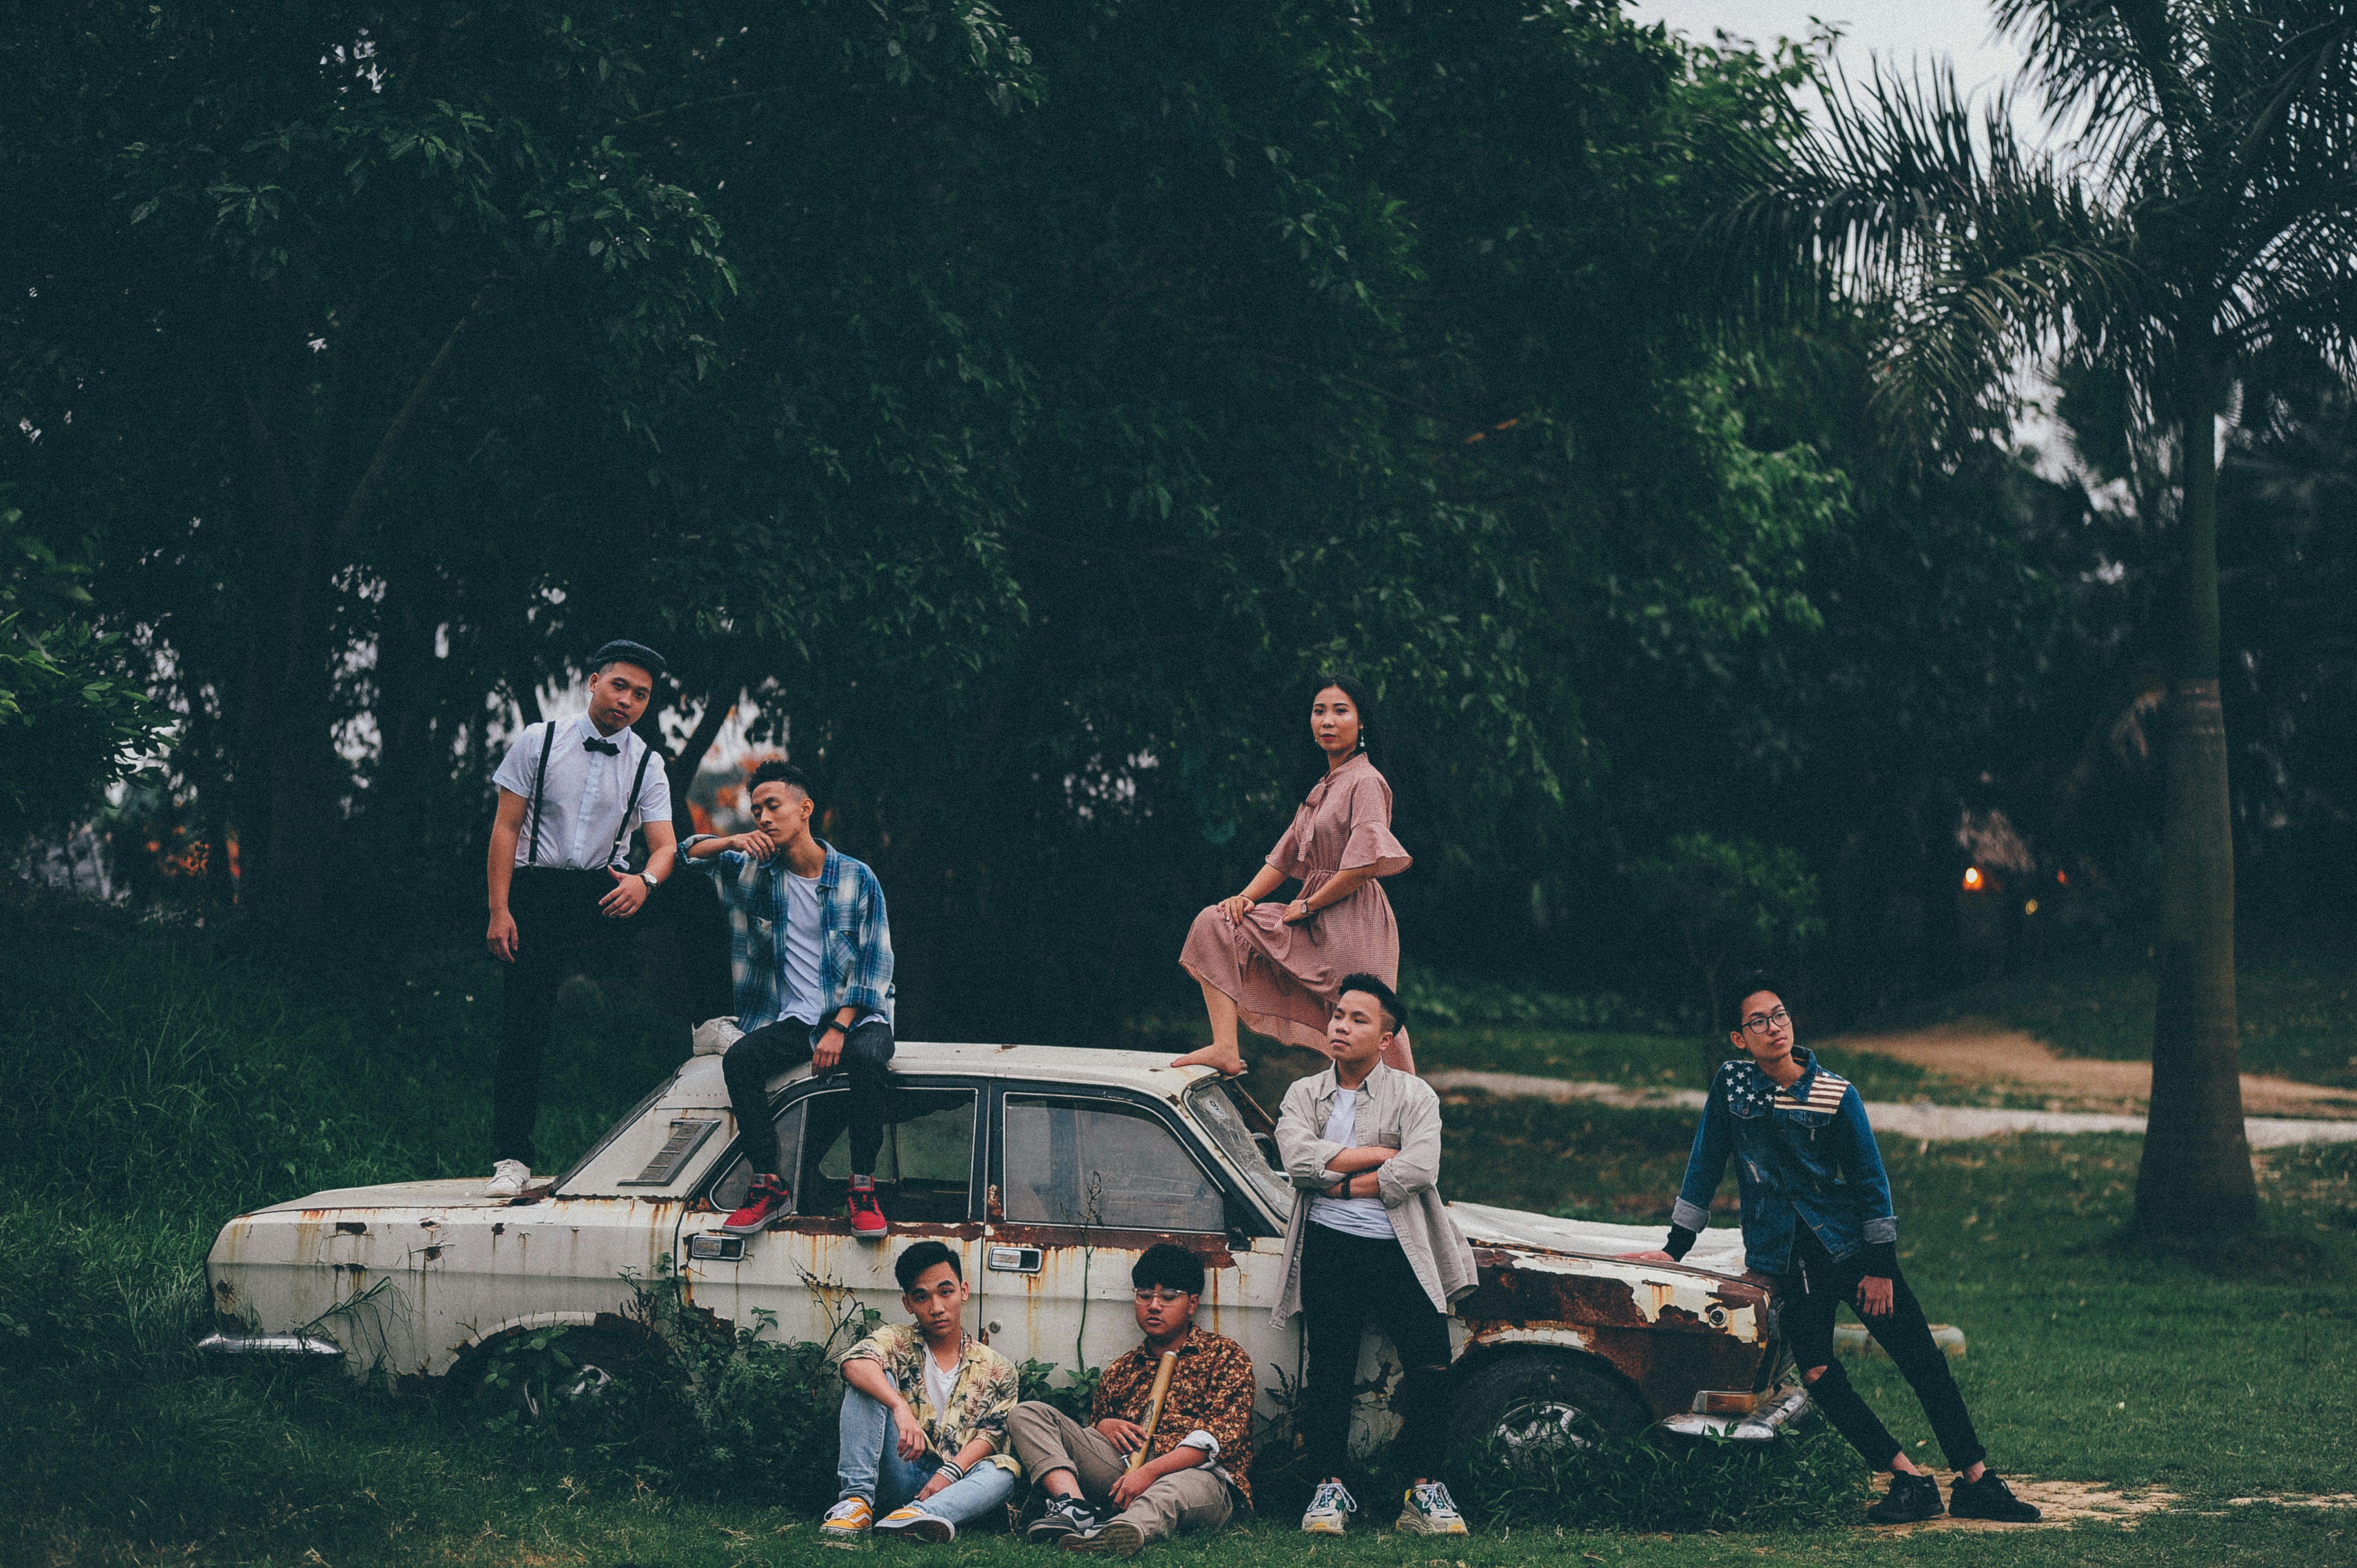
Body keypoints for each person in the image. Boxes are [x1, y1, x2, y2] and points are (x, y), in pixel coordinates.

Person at [1621, 974, 2042, 1526]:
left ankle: (1977, 1482)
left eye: (1779, 1015)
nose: (1773, 1028)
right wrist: (1675, 1248)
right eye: (1758, 1022)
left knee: (1922, 1361)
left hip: (1850, 1252)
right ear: (1739, 1039)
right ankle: (1908, 1481)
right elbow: (1705, 1165)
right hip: (1787, 1261)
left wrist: (1880, 1269)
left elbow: (1871, 1183)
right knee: (1819, 1374)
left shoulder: (1834, 1094)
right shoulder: (1731, 1087)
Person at [1272, 974, 1478, 1536]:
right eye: (1338, 1015)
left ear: (1386, 1039)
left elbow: (1420, 1168)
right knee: (1330, 1370)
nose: (1341, 1026)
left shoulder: (1415, 1096)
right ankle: (1328, 1487)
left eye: (1358, 1019)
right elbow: (1297, 1162)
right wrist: (1378, 1155)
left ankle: (1424, 1489)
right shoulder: (1302, 1094)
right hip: (1328, 1247)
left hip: (1399, 1250)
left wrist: (1338, 1183)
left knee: (1431, 1364)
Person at [482, 639, 678, 1198]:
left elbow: (665, 846)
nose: (627, 701)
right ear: (594, 682)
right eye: (619, 686)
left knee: (692, 889)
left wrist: (645, 882)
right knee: (524, 1027)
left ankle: (712, 1021)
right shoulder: (538, 741)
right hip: (537, 889)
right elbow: (505, 828)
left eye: (641, 694)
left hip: (604, 888)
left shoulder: (647, 762)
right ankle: (512, 1160)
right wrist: (500, 908)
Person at [676, 761, 899, 1239]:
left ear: (805, 809)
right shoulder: (755, 873)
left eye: (772, 806)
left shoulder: (857, 878)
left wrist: (838, 1028)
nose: (762, 817)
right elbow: (688, 855)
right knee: (740, 1059)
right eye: (756, 809)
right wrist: (732, 842)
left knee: (867, 1060)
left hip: (859, 1017)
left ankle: (862, 1188)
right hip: (795, 1020)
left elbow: (874, 966)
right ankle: (768, 1184)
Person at [1172, 676, 1416, 1077]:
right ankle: (1225, 1047)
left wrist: (1309, 904)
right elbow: (1284, 857)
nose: (1327, 721)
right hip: (1311, 916)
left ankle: (1397, 1110)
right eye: (1319, 711)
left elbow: (1364, 864)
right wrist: (1245, 898)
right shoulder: (1322, 787)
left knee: (1364, 1021)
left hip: (1354, 919)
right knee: (1216, 923)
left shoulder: (1367, 781)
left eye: (1340, 711)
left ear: (1362, 723)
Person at [1007, 1244, 1255, 1559]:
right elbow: (1093, 1442)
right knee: (1026, 1414)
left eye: (1168, 1297)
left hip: (1200, 1477)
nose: (1154, 1306)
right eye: (1144, 1296)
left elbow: (1219, 1440)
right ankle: (1076, 1508)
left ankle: (1121, 1529)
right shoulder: (1123, 1369)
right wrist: (1103, 1426)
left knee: (1170, 1491)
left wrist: (1149, 1473)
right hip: (1125, 1472)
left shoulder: (1225, 1356)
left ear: (1192, 1304)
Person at [819, 1240, 1023, 1545]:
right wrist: (899, 1406)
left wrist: (949, 1474)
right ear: (908, 1304)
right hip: (902, 1470)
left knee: (1005, 1471)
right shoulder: (896, 1340)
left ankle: (918, 1515)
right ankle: (856, 1503)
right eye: (922, 1297)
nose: (936, 1308)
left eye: (946, 1292)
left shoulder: (998, 1368)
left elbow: (992, 1435)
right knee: (868, 1382)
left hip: (955, 1486)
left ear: (964, 1291)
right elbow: (854, 1364)